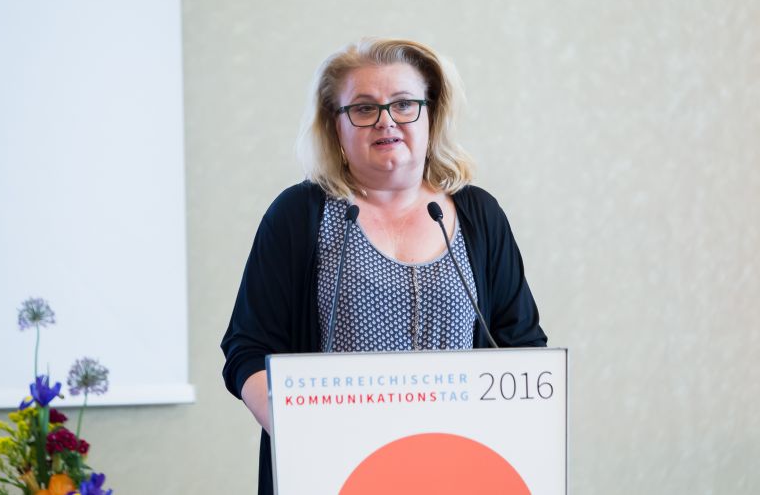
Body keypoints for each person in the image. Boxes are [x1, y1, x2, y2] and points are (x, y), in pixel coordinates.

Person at [220, 37, 547, 494]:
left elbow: (522, 348)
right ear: (336, 125)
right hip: (334, 472)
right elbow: (249, 350)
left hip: (459, 471)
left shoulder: (479, 215)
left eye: (404, 104)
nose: (386, 120)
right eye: (363, 108)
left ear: (431, 115)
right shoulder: (299, 215)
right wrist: (303, 440)